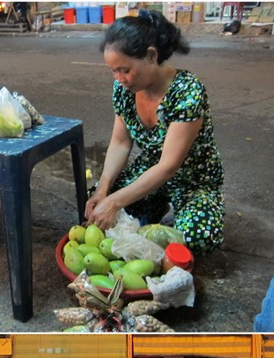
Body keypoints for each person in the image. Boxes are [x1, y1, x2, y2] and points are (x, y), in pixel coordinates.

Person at [84, 10, 224, 253]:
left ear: (151, 55)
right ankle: (153, 207)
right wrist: (103, 190)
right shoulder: (124, 90)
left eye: (125, 69)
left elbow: (169, 166)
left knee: (195, 236)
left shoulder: (187, 92)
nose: (120, 78)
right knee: (95, 202)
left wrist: (115, 202)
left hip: (192, 179)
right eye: (113, 71)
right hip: (150, 170)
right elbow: (120, 142)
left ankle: (167, 211)